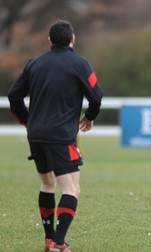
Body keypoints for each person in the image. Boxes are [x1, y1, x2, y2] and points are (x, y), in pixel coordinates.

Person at [8, 20, 103, 251]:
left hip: (37, 135)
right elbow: (97, 97)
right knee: (72, 189)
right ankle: (58, 244)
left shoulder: (35, 63)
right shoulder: (80, 63)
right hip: (61, 136)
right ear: (73, 39)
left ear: (49, 41)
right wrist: (89, 117)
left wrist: (27, 121)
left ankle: (49, 239)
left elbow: (13, 96)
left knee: (47, 185)